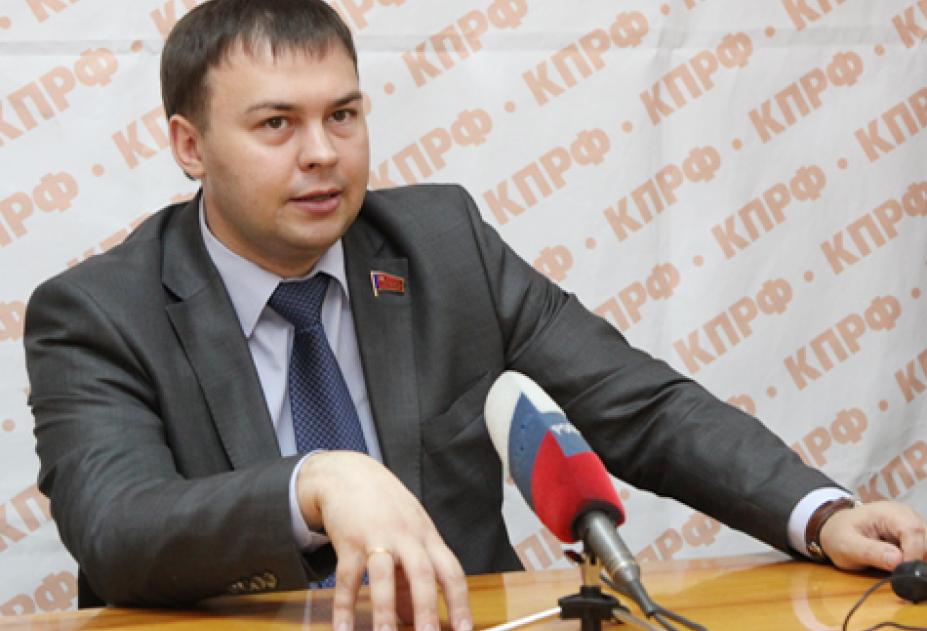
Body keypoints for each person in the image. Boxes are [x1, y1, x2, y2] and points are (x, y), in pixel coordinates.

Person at [23, 1, 926, 630]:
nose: (323, 153)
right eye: (276, 125)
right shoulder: (100, 310)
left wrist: (817, 513)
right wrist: (314, 483)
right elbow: (118, 527)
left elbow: (639, 406)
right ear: (189, 145)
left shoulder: (440, 244)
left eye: (343, 115)